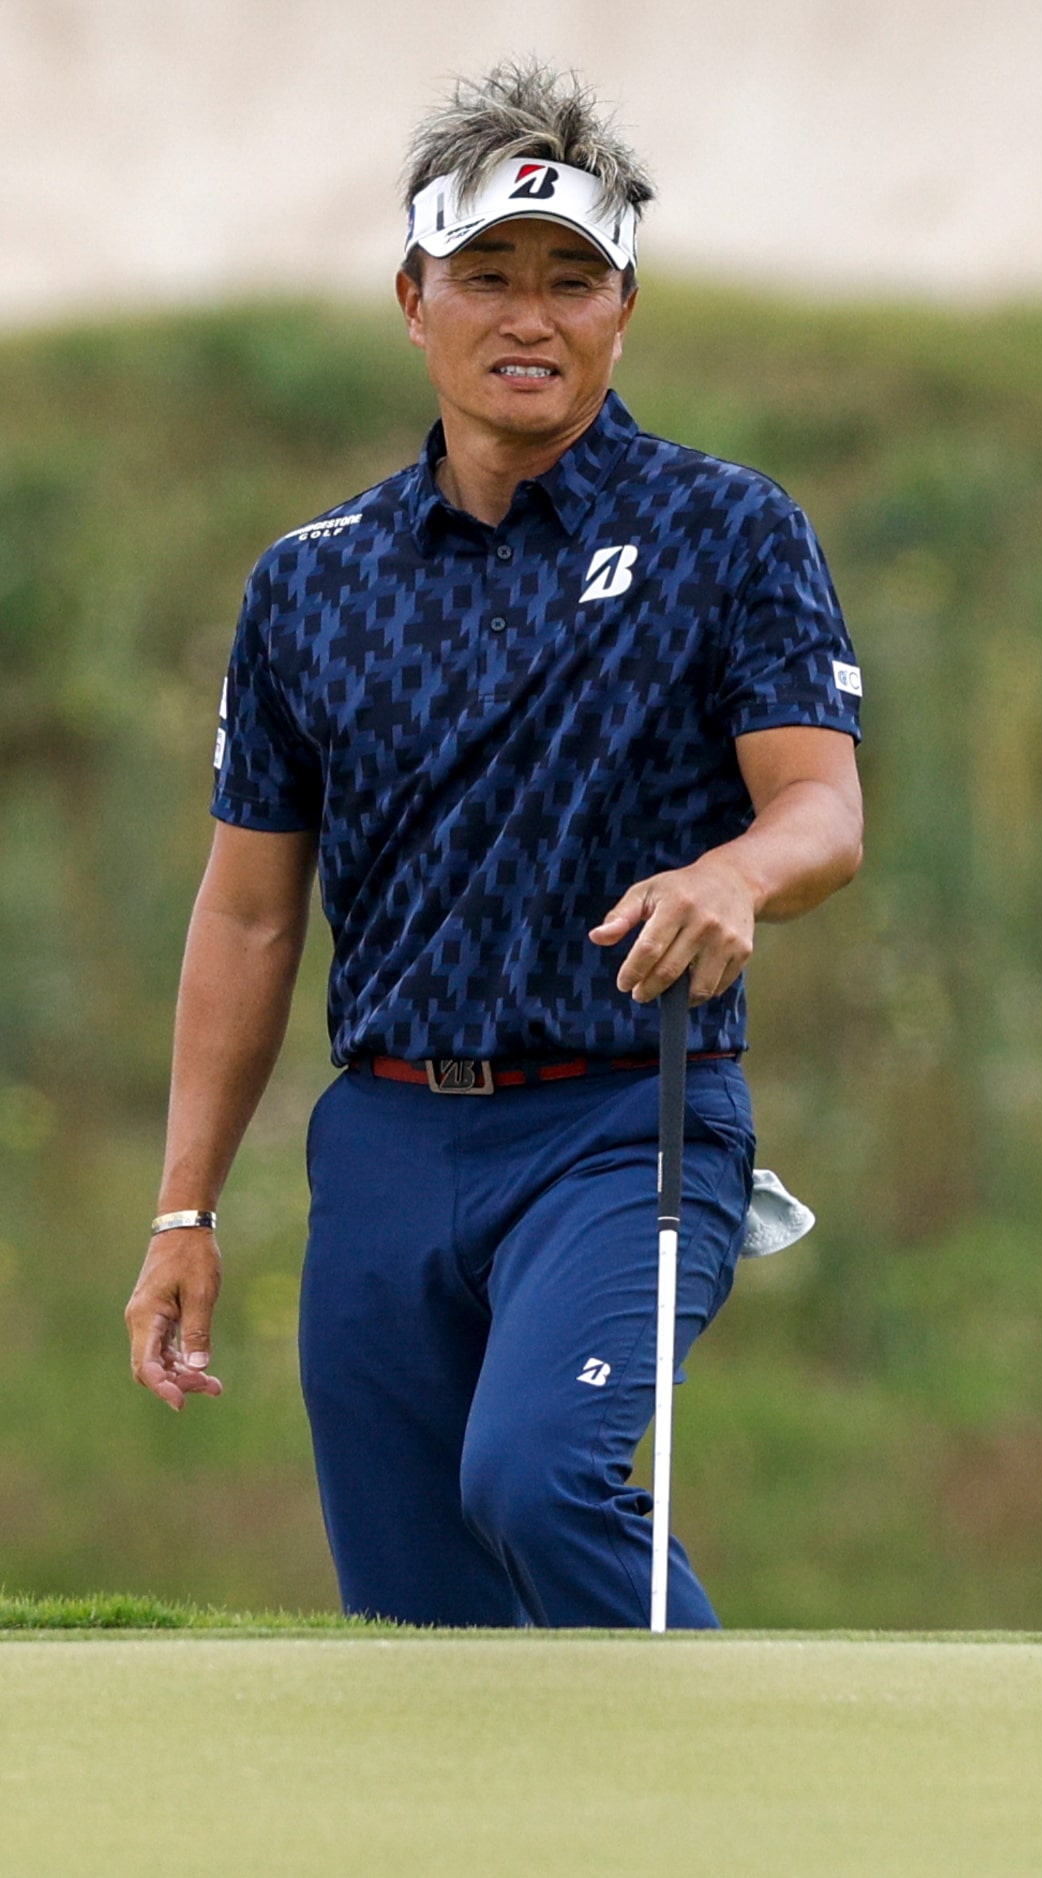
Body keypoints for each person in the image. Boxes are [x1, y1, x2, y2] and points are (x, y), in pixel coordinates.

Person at [120, 60, 866, 1628]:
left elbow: (819, 808)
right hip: (385, 1145)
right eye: (487, 278)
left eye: (571, 280)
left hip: (622, 1124)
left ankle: (748, 1817)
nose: (528, 315)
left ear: (622, 311)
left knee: (536, 1475)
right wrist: (185, 1211)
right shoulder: (309, 584)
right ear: (414, 299)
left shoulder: (726, 529)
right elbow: (252, 917)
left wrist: (732, 871)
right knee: (415, 1620)